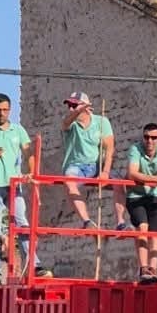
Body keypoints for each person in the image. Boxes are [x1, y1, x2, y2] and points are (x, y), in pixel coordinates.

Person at [0, 92, 41, 282]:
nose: (2, 113)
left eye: (5, 110)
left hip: (14, 183)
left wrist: (31, 172)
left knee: (23, 224)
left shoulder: (18, 130)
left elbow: (28, 152)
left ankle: (34, 264)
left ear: (10, 110)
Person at [123, 122, 157, 284]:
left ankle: (153, 270)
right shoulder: (135, 149)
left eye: (154, 138)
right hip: (136, 196)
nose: (150, 141)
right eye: (146, 137)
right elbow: (132, 173)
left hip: (155, 195)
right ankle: (143, 268)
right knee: (142, 227)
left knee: (155, 233)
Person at [59, 93, 115, 230]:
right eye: (69, 106)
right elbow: (65, 123)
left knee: (122, 184)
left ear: (86, 106)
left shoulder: (101, 122)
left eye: (74, 105)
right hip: (76, 167)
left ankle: (121, 223)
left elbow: (109, 149)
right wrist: (78, 110)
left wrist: (106, 172)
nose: (71, 109)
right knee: (69, 181)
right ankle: (87, 222)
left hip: (96, 166)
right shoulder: (70, 124)